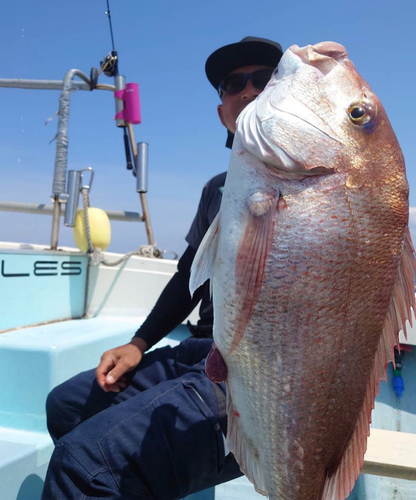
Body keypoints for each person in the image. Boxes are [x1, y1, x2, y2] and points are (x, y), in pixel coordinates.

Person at [42, 36, 283, 500]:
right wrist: (138, 344)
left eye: (266, 78)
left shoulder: (313, 184)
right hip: (200, 351)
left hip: (257, 377)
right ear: (222, 114)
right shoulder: (218, 189)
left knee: (83, 466)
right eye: (234, 83)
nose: (249, 89)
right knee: (68, 407)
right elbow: (188, 276)